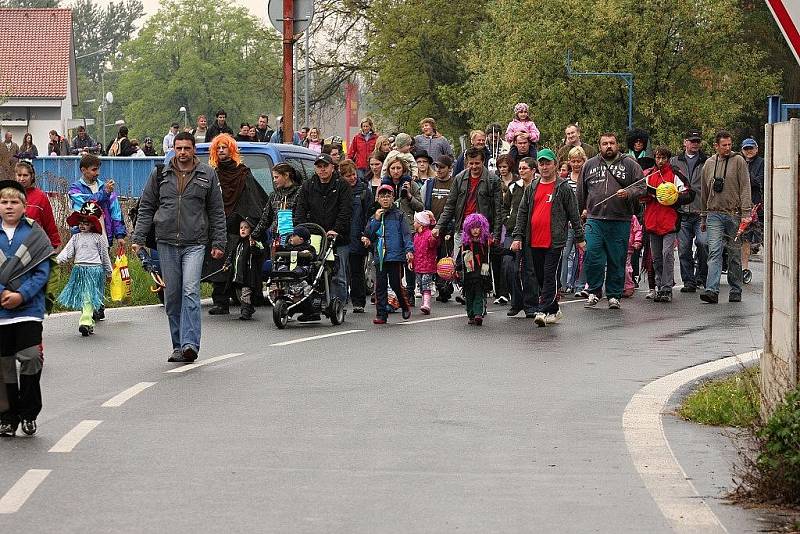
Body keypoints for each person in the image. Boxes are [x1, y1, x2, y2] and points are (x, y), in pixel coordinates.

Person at [131, 132, 227, 363]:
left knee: (190, 291)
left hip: (195, 242)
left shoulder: (207, 174)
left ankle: (190, 344)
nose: (182, 152)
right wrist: (139, 238)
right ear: (173, 149)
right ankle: (178, 345)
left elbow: (216, 210)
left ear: (194, 150)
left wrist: (219, 242)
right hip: (166, 242)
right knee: (172, 296)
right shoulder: (160, 173)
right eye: (178, 148)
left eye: (186, 148)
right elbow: (146, 207)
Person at [0, 179, 53, 438]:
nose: (9, 206)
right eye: (4, 202)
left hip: (28, 309)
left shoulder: (35, 234)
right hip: (1, 312)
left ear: (24, 206)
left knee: (31, 357)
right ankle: (8, 417)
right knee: (4, 365)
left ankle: (29, 413)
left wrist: (21, 295)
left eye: (14, 202)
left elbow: (42, 272)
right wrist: (3, 295)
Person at [511, 149, 585, 324]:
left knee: (549, 275)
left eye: (548, 163)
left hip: (555, 241)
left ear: (555, 165)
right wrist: (517, 236)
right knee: (540, 276)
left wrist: (580, 238)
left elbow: (574, 214)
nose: (544, 167)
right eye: (541, 163)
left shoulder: (563, 187)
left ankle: (542, 311)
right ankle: (554, 309)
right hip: (534, 240)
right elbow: (522, 212)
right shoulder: (532, 187)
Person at [578, 132, 644, 309]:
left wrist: (629, 193)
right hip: (595, 219)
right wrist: (582, 210)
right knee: (592, 255)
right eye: (605, 143)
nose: (609, 146)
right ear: (599, 146)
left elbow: (641, 186)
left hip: (620, 219)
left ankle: (614, 295)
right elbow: (581, 191)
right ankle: (593, 291)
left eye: (612, 143)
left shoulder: (630, 164)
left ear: (617, 145)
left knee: (617, 258)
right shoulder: (589, 165)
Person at [205, 134, 267, 315]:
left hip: (239, 226)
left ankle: (247, 303)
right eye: (218, 148)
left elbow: (253, 198)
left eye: (224, 147)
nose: (221, 150)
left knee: (242, 265)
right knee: (218, 262)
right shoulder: (213, 174)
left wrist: (247, 222)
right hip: (219, 224)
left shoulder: (243, 172)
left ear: (231, 149)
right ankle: (220, 302)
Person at [294, 153, 353, 318]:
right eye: (319, 166)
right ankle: (312, 307)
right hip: (315, 235)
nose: (322, 170)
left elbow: (346, 210)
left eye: (325, 166)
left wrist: (336, 229)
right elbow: (300, 208)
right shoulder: (308, 185)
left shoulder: (342, 185)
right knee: (312, 271)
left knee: (337, 274)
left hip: (338, 237)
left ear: (332, 167)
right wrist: (301, 230)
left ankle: (338, 305)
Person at [699, 130, 752, 304]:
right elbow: (704, 192)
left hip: (734, 213)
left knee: (734, 253)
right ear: (716, 146)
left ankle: (736, 289)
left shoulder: (738, 161)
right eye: (724, 145)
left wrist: (746, 213)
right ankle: (711, 290)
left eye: (730, 144)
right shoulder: (708, 163)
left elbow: (745, 187)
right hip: (714, 213)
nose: (728, 148)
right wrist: (703, 217)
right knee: (714, 251)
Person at [641, 147, 694, 302]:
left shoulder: (675, 173)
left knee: (667, 254)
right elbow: (640, 194)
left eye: (663, 158)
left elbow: (689, 193)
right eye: (658, 158)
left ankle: (666, 288)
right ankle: (658, 286)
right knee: (656, 258)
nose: (660, 161)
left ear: (668, 159)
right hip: (652, 221)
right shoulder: (649, 174)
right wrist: (647, 195)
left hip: (669, 222)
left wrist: (674, 197)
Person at [433, 147, 504, 261]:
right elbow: (450, 205)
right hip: (462, 229)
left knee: (482, 269)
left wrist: (496, 235)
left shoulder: (493, 180)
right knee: (459, 267)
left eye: (477, 163)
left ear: (483, 161)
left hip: (483, 233)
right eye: (471, 163)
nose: (474, 166)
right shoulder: (459, 178)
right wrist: (439, 226)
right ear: (466, 162)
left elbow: (498, 210)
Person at [362, 184, 413, 324]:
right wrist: (376, 220)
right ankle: (381, 314)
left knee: (396, 284)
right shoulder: (374, 216)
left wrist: (409, 250)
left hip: (395, 256)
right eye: (382, 196)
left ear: (393, 198)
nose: (385, 199)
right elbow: (369, 234)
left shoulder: (399, 215)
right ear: (377, 198)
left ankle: (404, 304)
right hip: (380, 256)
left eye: (388, 196)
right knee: (380, 286)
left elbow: (406, 234)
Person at [56, 210, 112, 336]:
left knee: (88, 296)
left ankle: (85, 322)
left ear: (92, 224)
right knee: (84, 297)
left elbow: (104, 256)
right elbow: (67, 252)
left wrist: (108, 272)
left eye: (86, 223)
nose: (82, 225)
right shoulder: (75, 237)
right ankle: (89, 323)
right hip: (79, 270)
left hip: (94, 271)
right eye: (80, 223)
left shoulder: (98, 238)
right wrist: (56, 261)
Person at [381, 154, 424, 303]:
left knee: (409, 261)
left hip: (408, 226)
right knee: (394, 262)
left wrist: (409, 196)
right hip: (390, 228)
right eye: (393, 168)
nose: (396, 171)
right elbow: (377, 204)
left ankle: (410, 291)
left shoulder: (411, 184)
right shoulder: (384, 185)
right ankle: (396, 292)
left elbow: (420, 206)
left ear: (403, 169)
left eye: (399, 168)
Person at [670, 129, 708, 292]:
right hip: (682, 212)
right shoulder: (674, 161)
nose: (695, 144)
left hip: (701, 212)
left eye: (697, 141)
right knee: (684, 249)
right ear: (685, 142)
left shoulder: (707, 161)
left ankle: (702, 276)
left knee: (703, 244)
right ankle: (688, 281)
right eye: (692, 141)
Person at [339, 159, 371, 313]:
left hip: (358, 235)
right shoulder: (339, 191)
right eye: (348, 176)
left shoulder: (364, 191)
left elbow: (368, 215)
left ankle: (358, 301)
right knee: (341, 270)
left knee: (356, 270)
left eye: (353, 175)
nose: (352, 178)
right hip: (342, 236)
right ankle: (341, 299)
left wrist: (366, 234)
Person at [505, 157, 536, 316]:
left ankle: (531, 306)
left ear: (533, 170)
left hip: (531, 234)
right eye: (520, 168)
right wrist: (507, 220)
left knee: (529, 270)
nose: (521, 171)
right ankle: (516, 303)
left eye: (525, 168)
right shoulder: (513, 187)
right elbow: (505, 207)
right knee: (510, 266)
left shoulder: (538, 187)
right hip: (512, 232)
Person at [224, 216, 264, 321]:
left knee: (246, 293)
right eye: (241, 227)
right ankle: (249, 308)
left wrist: (253, 245)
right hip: (238, 275)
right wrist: (227, 264)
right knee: (239, 294)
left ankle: (245, 312)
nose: (243, 229)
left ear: (251, 230)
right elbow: (232, 255)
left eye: (246, 227)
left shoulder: (254, 243)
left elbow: (259, 253)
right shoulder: (238, 244)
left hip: (248, 274)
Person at [252, 162, 302, 248]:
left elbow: (301, 218)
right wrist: (254, 235)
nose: (274, 180)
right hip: (275, 239)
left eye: (276, 177)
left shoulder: (299, 193)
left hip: (294, 239)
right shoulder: (274, 195)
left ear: (286, 175)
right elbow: (265, 219)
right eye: (273, 177)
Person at [456, 213, 493, 326]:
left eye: (478, 227)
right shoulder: (465, 244)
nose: (475, 230)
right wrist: (456, 268)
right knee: (469, 295)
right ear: (468, 229)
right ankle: (471, 314)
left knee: (479, 293)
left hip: (482, 272)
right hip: (468, 274)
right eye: (473, 228)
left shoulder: (485, 243)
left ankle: (478, 314)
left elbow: (488, 256)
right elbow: (459, 259)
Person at [14, 161, 60, 248]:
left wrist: (55, 244)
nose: (22, 178)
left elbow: (49, 223)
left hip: (34, 245)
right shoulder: (8, 195)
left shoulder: (40, 197)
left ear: (32, 177)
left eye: (25, 175)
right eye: (19, 175)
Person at [562, 147, 587, 294]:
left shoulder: (586, 179)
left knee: (581, 254)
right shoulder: (565, 182)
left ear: (584, 161)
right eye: (573, 161)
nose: (576, 164)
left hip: (583, 222)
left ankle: (578, 285)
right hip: (569, 223)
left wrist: (586, 211)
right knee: (565, 254)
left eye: (579, 161)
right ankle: (563, 285)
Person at [739, 137, 763, 284]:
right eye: (746, 149)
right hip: (744, 208)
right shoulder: (739, 162)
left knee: (764, 238)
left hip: (760, 206)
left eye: (751, 148)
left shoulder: (762, 162)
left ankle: (772, 266)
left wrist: (745, 179)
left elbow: (760, 180)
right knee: (745, 239)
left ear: (756, 149)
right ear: (742, 150)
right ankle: (745, 269)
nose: (749, 151)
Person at [412, 210, 439, 314]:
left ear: (421, 224)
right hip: (418, 265)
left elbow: (434, 243)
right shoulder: (416, 236)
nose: (413, 224)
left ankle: (427, 303)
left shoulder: (429, 234)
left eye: (415, 222)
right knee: (420, 284)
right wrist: (411, 261)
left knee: (426, 283)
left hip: (428, 265)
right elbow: (414, 250)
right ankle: (424, 301)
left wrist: (434, 237)